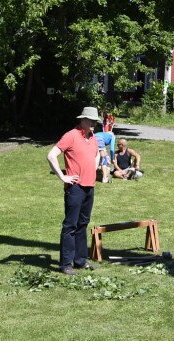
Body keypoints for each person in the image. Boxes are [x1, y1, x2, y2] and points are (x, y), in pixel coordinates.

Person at [47, 105, 102, 274]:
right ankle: (65, 264)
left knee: (82, 224)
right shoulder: (71, 135)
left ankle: (80, 260)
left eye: (95, 121)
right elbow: (51, 155)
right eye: (91, 121)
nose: (93, 124)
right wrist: (63, 177)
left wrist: (94, 167)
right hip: (75, 188)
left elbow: (97, 154)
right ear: (82, 120)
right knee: (70, 225)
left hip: (89, 187)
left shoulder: (92, 137)